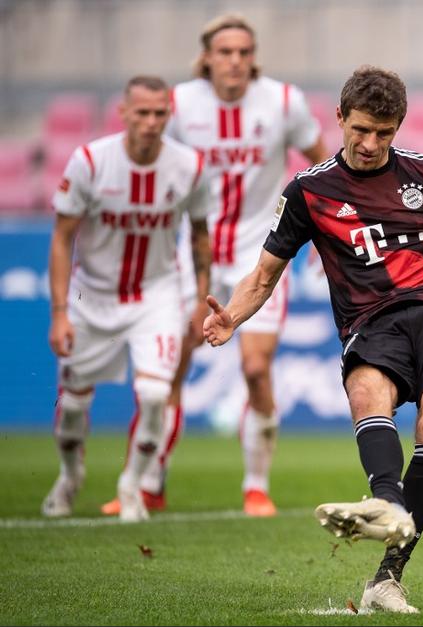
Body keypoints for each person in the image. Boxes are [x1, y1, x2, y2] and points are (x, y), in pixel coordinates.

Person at [202, 65, 423, 613]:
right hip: (370, 320)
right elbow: (264, 276)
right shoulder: (309, 191)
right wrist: (233, 316)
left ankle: (388, 576)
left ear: (399, 127)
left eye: (384, 133)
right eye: (361, 130)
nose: (370, 144)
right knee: (367, 393)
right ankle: (387, 502)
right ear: (339, 117)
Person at [100, 13, 329, 517]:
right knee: (170, 368)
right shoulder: (180, 104)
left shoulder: (282, 102)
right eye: (225, 52)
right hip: (192, 253)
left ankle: (256, 487)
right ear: (207, 57)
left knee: (255, 368)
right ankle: (148, 483)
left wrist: (323, 231)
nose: (235, 61)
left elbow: (322, 164)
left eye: (244, 52)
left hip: (261, 253)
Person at [42, 75, 211, 522]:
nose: (151, 122)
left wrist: (199, 300)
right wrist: (59, 312)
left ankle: (131, 486)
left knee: (155, 393)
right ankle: (70, 475)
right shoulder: (90, 162)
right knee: (73, 405)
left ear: (169, 115)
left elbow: (200, 235)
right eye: (142, 113)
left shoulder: (190, 166)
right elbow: (61, 238)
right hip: (92, 295)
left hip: (157, 295)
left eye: (160, 113)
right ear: (124, 113)